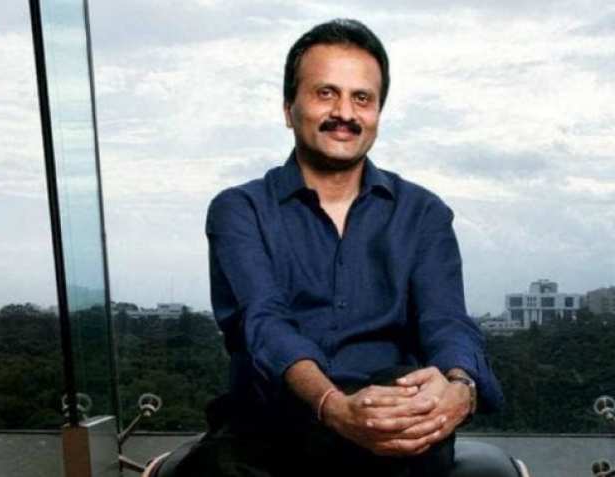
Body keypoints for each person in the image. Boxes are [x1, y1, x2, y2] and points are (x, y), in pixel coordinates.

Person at [170, 18, 505, 477]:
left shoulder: (424, 213)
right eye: (326, 93)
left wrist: (459, 388)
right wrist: (333, 405)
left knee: (407, 424)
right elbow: (263, 322)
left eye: (362, 98)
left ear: (378, 113)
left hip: (392, 415)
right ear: (289, 109)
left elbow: (446, 321)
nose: (345, 112)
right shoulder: (239, 210)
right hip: (268, 427)